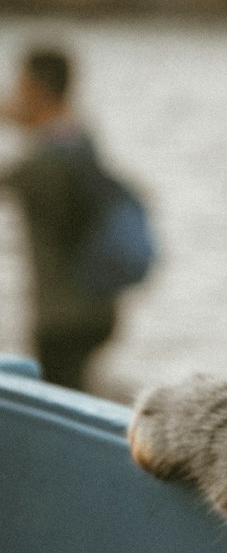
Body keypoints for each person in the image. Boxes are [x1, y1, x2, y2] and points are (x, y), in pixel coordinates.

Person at [0, 47, 117, 390]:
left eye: (18, 86)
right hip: (93, 308)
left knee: (60, 397)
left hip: (63, 318)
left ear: (35, 89)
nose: (11, 97)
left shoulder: (46, 163)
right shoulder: (80, 140)